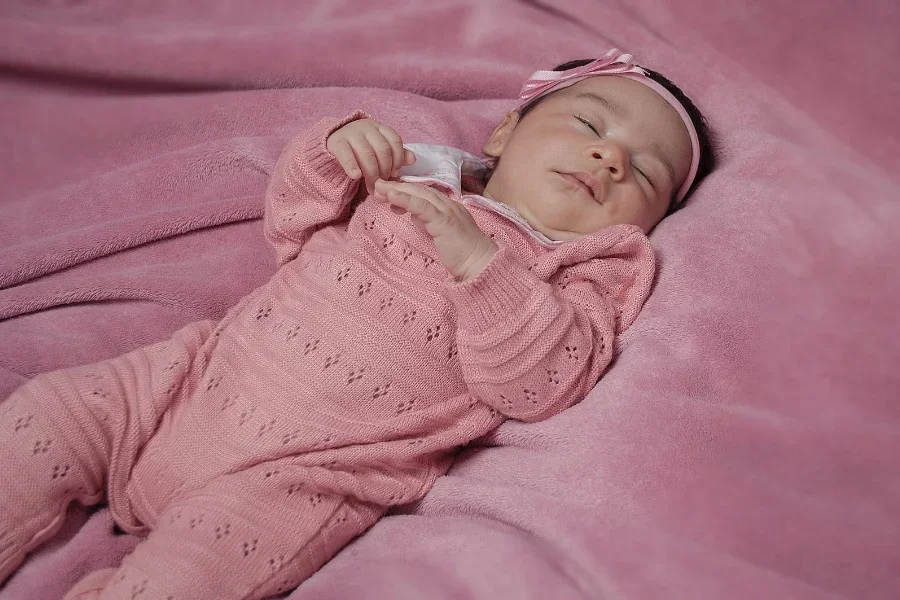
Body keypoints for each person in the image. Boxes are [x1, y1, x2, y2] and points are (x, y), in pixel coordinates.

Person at [0, 49, 715, 599]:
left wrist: (481, 265)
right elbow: (293, 221)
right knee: (49, 416)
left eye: (644, 175)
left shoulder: (585, 272)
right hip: (189, 382)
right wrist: (334, 152)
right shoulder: (415, 171)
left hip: (310, 474)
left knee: (195, 573)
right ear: (507, 129)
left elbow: (542, 384)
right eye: (590, 124)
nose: (610, 158)